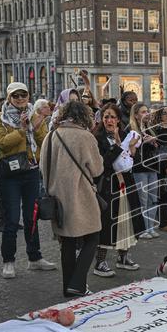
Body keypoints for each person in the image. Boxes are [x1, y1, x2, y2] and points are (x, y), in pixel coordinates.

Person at [0, 81, 55, 278]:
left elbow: (44, 141)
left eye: (23, 95)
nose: (19, 99)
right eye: (15, 96)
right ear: (9, 97)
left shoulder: (35, 116)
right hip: (10, 175)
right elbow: (0, 143)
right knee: (11, 219)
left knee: (31, 216)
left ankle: (34, 258)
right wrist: (21, 130)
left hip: (31, 172)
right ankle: (8, 261)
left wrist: (36, 129)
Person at [40, 100, 104, 297]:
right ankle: (77, 282)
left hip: (57, 197)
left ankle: (69, 286)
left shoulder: (51, 136)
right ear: (84, 116)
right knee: (93, 236)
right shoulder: (85, 137)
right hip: (81, 195)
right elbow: (97, 169)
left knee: (66, 242)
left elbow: (43, 167)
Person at [93, 103, 141, 276]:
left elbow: (133, 159)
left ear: (118, 119)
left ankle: (123, 257)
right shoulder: (97, 138)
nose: (109, 120)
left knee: (126, 219)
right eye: (106, 116)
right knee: (107, 223)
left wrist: (133, 149)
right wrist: (118, 146)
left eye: (112, 117)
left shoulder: (125, 134)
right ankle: (100, 262)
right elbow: (103, 163)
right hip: (107, 186)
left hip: (125, 184)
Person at [130, 102, 161, 238]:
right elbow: (130, 150)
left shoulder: (150, 128)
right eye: (143, 112)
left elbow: (157, 147)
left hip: (152, 166)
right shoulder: (131, 129)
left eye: (147, 111)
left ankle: (151, 227)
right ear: (136, 115)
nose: (146, 114)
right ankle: (142, 229)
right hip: (139, 168)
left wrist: (155, 142)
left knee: (153, 198)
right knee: (143, 199)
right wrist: (144, 142)